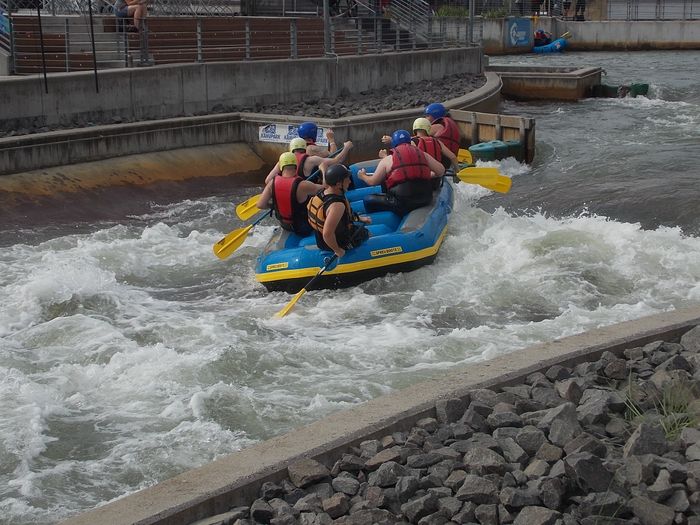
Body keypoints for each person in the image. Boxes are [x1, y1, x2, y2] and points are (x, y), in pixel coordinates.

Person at [358, 129, 445, 216]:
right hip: (425, 198)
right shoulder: (423, 154)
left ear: (393, 144)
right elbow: (441, 171)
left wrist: (363, 176)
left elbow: (373, 181)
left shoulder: (387, 159)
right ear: (410, 142)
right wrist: (425, 175)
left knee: (368, 199)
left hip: (402, 202)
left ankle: (377, 219)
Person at [307, 164, 371, 259]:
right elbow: (327, 234)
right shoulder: (337, 206)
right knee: (366, 233)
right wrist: (338, 250)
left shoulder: (323, 193)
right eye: (346, 179)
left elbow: (346, 216)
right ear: (338, 184)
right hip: (335, 243)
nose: (349, 181)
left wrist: (359, 218)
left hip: (320, 241)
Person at [256, 152, 324, 236]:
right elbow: (326, 187)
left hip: (285, 225)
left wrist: (273, 206)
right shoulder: (303, 185)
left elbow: (260, 205)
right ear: (296, 166)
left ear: (281, 167)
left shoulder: (272, 183)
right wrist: (323, 170)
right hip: (304, 227)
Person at [264, 137, 353, 185]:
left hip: (292, 195)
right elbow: (337, 161)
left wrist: (281, 187)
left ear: (291, 148)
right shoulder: (311, 160)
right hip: (308, 194)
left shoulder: (282, 161)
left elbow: (268, 180)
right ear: (304, 147)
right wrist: (346, 148)